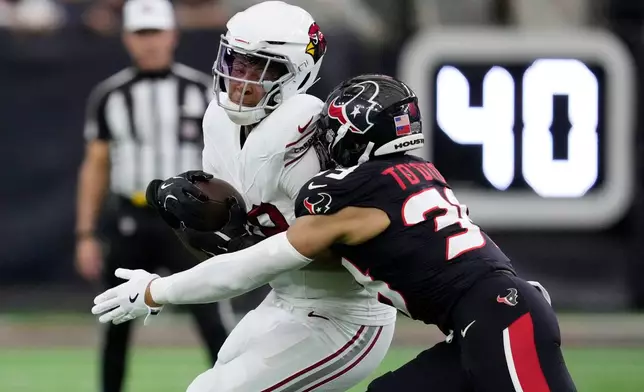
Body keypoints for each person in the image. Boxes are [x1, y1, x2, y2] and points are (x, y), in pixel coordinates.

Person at [93, 73, 578, 391]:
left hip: (500, 317)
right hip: (493, 314)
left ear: (356, 135)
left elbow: (259, 264)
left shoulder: (352, 194)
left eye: (332, 129)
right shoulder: (418, 174)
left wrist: (159, 290)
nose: (324, 139)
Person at [95, 2, 397, 391]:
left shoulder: (308, 134)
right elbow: (246, 246)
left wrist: (159, 291)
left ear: (297, 72)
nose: (239, 77)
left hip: (345, 315)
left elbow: (322, 250)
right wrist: (208, 223)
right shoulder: (218, 121)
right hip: (286, 299)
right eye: (236, 61)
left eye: (258, 67)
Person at [74, 1, 228, 391]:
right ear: (127, 38)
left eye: (156, 31)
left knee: (211, 318)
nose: (150, 42)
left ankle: (234, 385)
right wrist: (86, 233)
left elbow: (226, 157)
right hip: (132, 218)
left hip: (188, 222)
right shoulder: (110, 95)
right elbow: (96, 166)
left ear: (172, 34)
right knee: (115, 322)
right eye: (141, 33)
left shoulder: (201, 90)